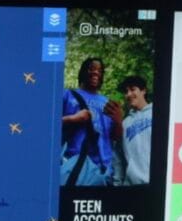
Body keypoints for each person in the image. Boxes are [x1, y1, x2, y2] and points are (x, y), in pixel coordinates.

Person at [60, 57, 124, 186]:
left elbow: (115, 137)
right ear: (82, 72)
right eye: (91, 69)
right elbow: (46, 124)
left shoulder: (107, 103)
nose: (96, 72)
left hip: (104, 172)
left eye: (100, 71)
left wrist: (118, 121)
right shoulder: (67, 95)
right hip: (75, 166)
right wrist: (73, 119)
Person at [115, 75, 152, 185]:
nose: (129, 94)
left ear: (143, 91)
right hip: (132, 185)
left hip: (156, 184)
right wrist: (117, 183)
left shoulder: (158, 114)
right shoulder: (125, 123)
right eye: (126, 91)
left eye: (132, 89)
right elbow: (118, 157)